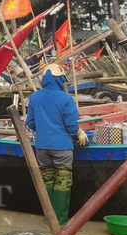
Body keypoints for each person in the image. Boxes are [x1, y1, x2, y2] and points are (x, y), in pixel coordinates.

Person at [25, 64, 88, 225]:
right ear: (59, 80)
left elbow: (30, 122)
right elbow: (71, 124)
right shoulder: (66, 98)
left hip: (42, 147)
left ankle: (48, 218)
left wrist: (44, 130)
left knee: (47, 179)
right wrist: (80, 133)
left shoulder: (35, 97)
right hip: (62, 147)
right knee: (63, 181)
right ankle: (60, 221)